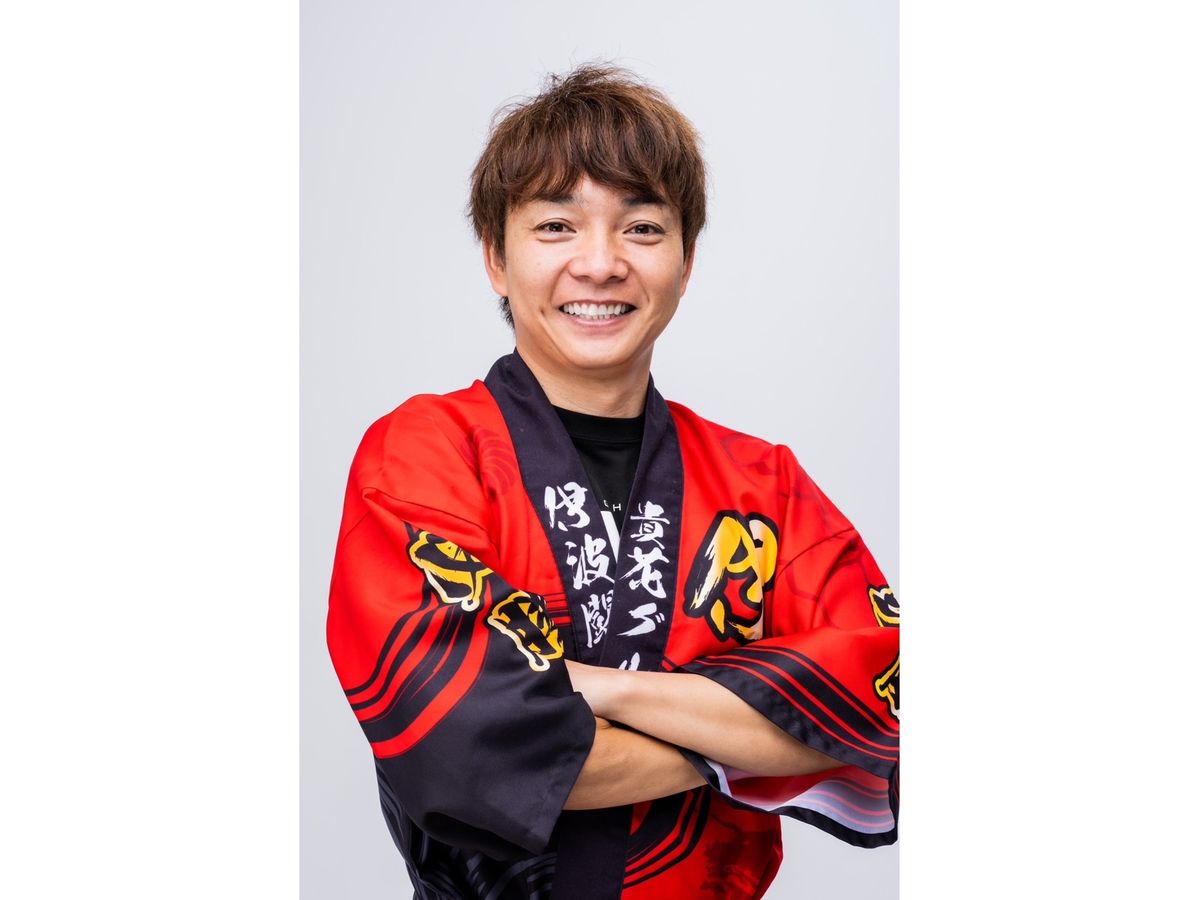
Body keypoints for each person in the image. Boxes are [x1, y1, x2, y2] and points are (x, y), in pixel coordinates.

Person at [327, 64, 898, 900]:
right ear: (496, 257)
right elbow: (465, 747)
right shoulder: (424, 455)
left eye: (642, 227)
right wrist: (752, 735)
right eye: (556, 226)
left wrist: (602, 688)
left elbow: (889, 706)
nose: (600, 264)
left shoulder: (763, 483)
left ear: (686, 261)